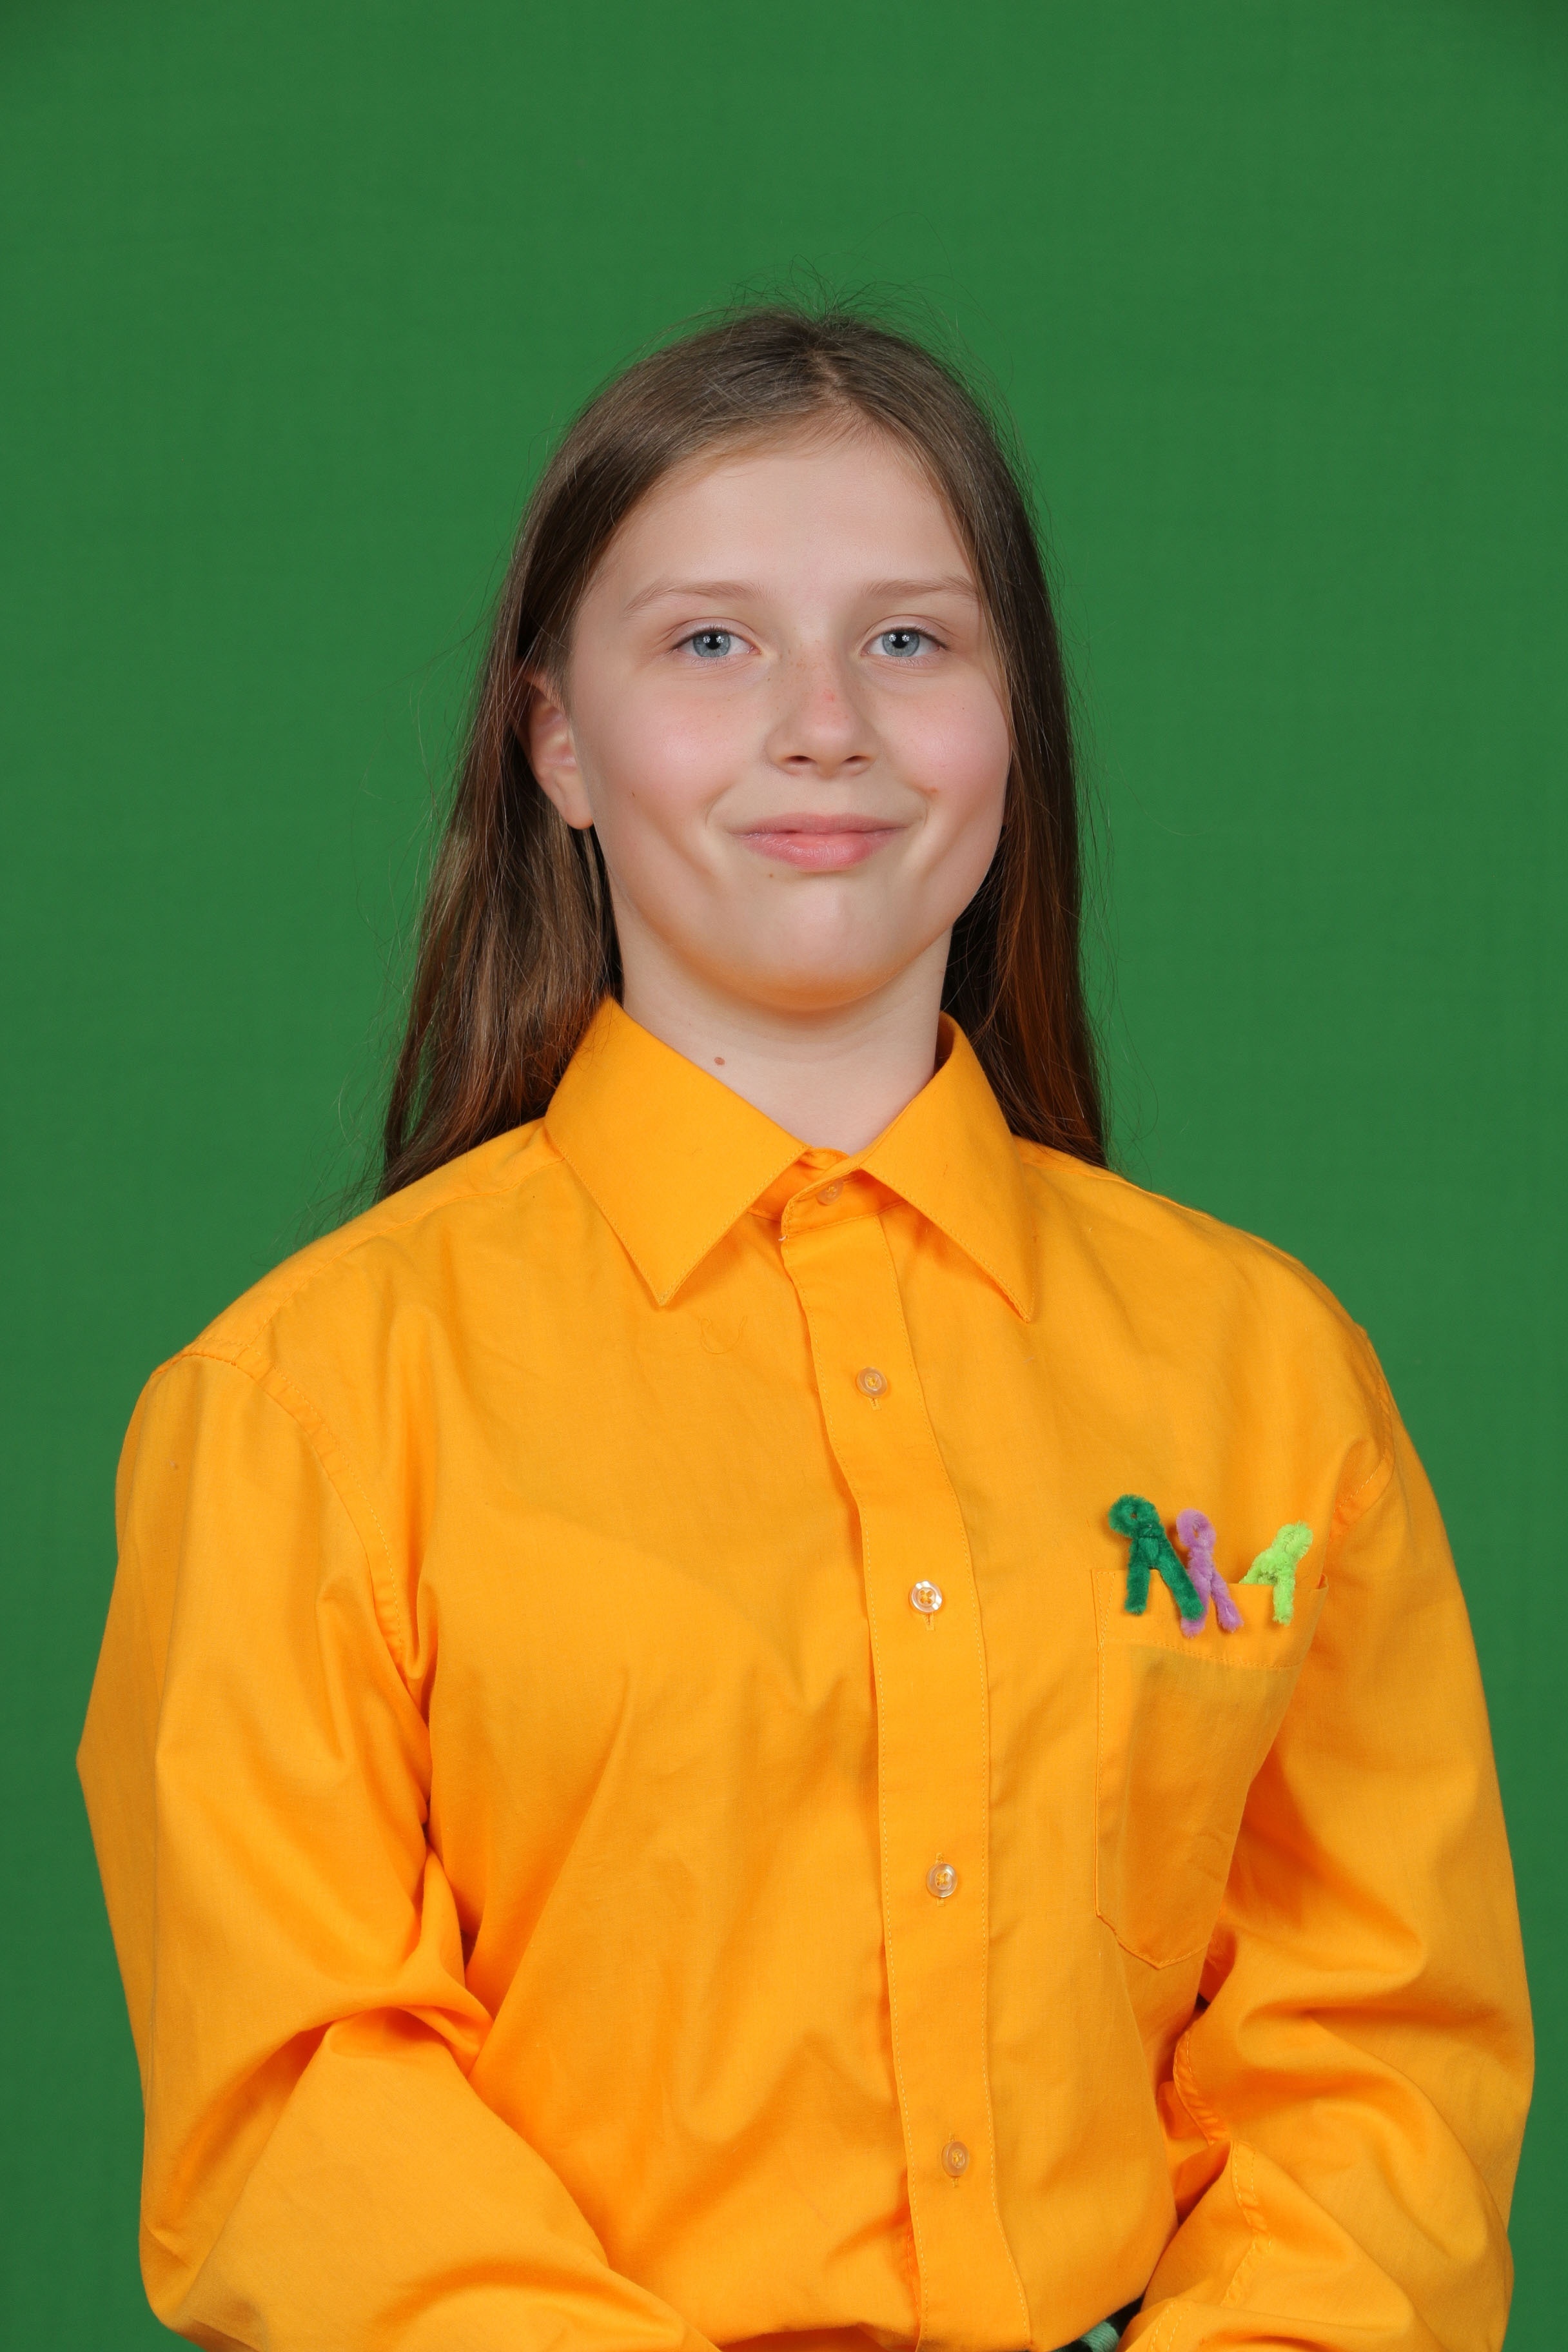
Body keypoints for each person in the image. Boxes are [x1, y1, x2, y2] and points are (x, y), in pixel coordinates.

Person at [79, 304, 1531, 2352]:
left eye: (911, 639)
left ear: (1013, 727)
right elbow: (299, 2098)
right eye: (710, 642)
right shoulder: (301, 1407)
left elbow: (1376, 2046)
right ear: (557, 745)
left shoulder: (1266, 1373)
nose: (825, 723)